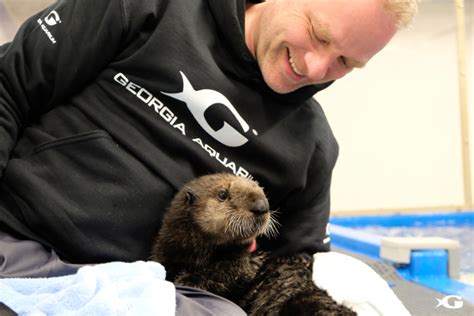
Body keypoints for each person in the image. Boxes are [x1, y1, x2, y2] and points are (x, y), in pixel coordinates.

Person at [0, 0, 416, 314]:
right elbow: (9, 86)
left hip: (153, 291)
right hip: (16, 238)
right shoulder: (151, 8)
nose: (314, 66)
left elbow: (287, 270)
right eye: (318, 34)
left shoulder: (312, 147)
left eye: (345, 61)